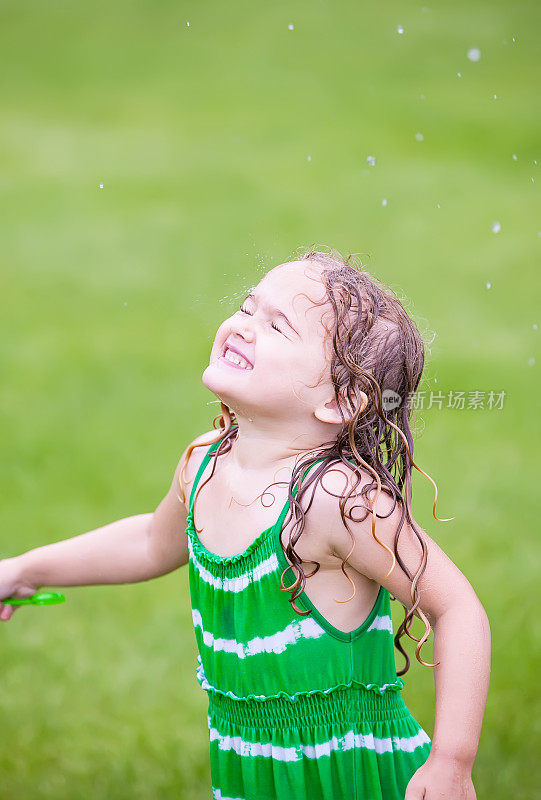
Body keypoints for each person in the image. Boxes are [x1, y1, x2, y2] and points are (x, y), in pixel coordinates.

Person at [0, 247, 491, 800]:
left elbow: (455, 607)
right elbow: (147, 543)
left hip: (350, 774)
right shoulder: (203, 463)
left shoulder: (332, 498)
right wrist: (24, 569)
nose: (242, 326)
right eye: (247, 306)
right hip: (250, 768)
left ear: (341, 400)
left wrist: (452, 762)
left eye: (278, 326)